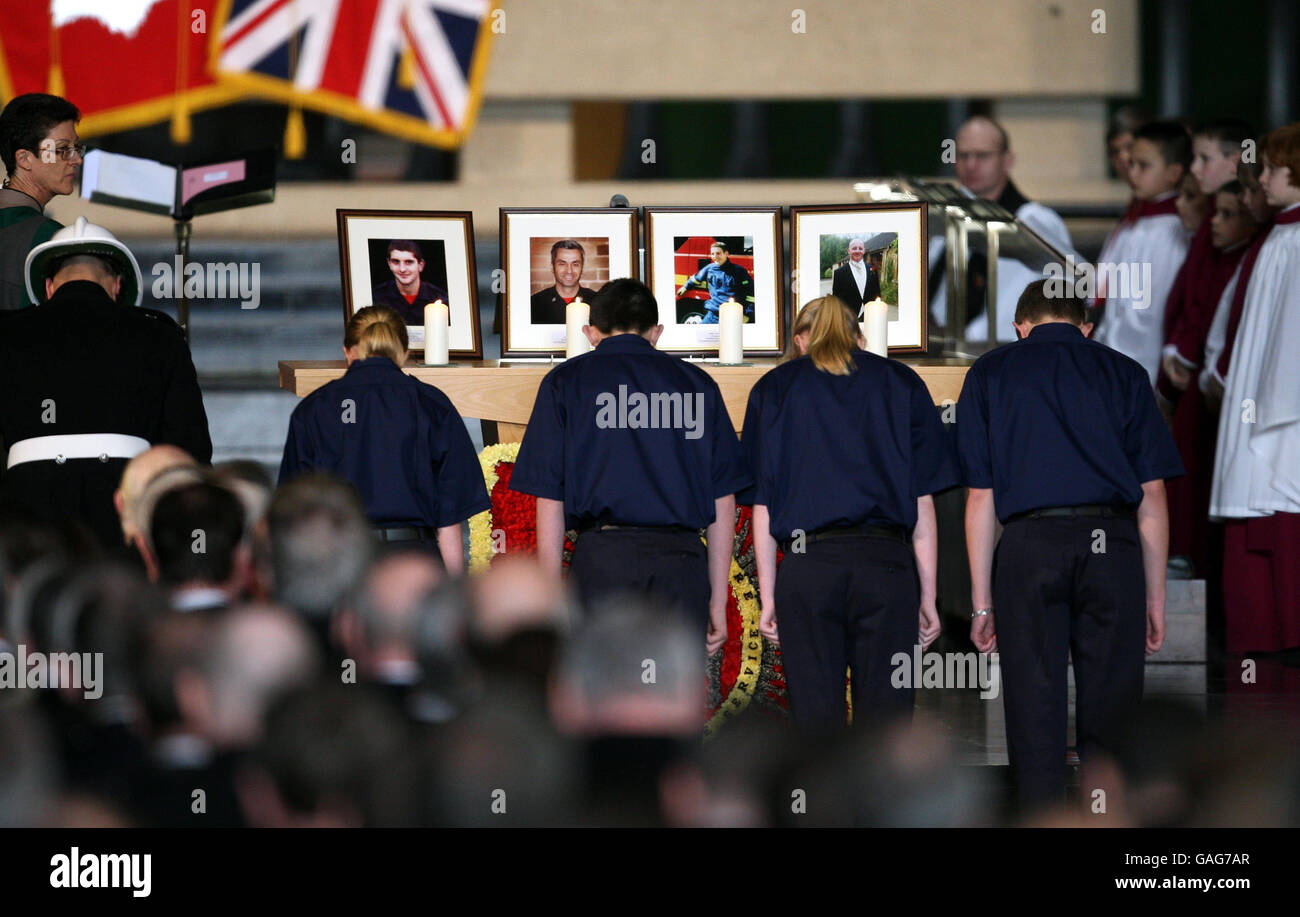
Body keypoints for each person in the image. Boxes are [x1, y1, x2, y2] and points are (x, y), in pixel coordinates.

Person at [957, 279, 1183, 811]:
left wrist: (981, 601)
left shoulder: (989, 372)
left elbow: (979, 498)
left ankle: (1041, 818)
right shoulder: (1125, 372)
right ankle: (1108, 816)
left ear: (1020, 326)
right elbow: (1153, 497)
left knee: (1033, 701)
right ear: (1087, 328)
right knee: (1112, 705)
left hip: (1030, 544)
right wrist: (1155, 597)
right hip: (1113, 549)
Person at [741, 296, 957, 729]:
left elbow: (762, 504)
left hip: (809, 568)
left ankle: (818, 800)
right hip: (886, 568)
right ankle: (882, 798)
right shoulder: (901, 382)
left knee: (815, 720)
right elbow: (922, 503)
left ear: (801, 340)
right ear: (859, 336)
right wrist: (929, 594)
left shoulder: (774, 388)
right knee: (888, 723)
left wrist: (769, 595)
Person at [509, 278, 750, 652]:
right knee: (672, 696)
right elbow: (723, 497)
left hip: (603, 560)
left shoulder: (565, 382)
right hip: (680, 562)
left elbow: (550, 495)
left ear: (591, 333)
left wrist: (549, 595)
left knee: (603, 694)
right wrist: (717, 599)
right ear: (657, 332)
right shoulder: (698, 384)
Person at [0, 218, 212, 549]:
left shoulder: (7, 333)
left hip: (26, 509)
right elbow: (189, 446)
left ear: (48, 288)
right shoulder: (158, 335)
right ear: (116, 286)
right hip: (125, 504)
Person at [278, 306, 488, 569]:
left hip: (338, 560)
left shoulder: (314, 409)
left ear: (347, 351)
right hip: (414, 562)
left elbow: (295, 510)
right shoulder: (431, 404)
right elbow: (449, 520)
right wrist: (452, 594)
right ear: (404, 353)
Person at [1207, 123, 1300, 655]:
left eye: (1271, 168)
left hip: (1280, 413)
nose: (1261, 178)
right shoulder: (1279, 238)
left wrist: (1268, 407)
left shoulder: (1291, 241)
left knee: (1276, 501)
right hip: (1258, 404)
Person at [1161, 179, 1258, 579]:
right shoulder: (1216, 256)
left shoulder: (1260, 255)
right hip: (1202, 384)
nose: (1214, 222)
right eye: (1214, 212)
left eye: (1227, 214)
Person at [929, 115, 1077, 345]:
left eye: (983, 155)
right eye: (963, 155)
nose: (971, 164)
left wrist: (954, 338)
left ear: (1007, 161)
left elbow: (1014, 308)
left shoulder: (1036, 222)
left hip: (1006, 352)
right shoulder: (947, 216)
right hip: (940, 346)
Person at [1094, 120, 1193, 383]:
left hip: (1139, 365)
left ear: (1174, 172)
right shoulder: (1137, 221)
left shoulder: (1171, 231)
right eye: (1131, 163)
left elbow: (1149, 312)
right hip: (1112, 354)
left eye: (1143, 166)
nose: (1132, 172)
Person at [0, 93, 82, 310]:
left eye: (76, 148)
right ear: (24, 159)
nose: (77, 160)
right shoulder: (51, 238)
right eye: (63, 149)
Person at [370, 240, 449, 326]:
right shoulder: (376, 298)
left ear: (420, 265)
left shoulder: (441, 299)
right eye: (396, 262)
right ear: (389, 264)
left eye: (409, 262)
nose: (402, 269)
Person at [676, 241, 753, 323]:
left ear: (726, 254)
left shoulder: (739, 271)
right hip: (712, 314)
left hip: (732, 316)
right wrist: (685, 287)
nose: (715, 256)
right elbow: (696, 278)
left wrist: (747, 314)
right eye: (712, 254)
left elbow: (751, 293)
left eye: (718, 253)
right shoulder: (709, 268)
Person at [531, 239, 601, 324]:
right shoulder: (535, 303)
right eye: (562, 264)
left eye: (575, 264)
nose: (569, 271)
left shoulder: (598, 302)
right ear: (552, 267)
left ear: (582, 267)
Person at [830, 238, 881, 316]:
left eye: (860, 248)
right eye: (854, 248)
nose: (857, 251)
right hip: (848, 317)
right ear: (849, 251)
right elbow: (836, 300)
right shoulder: (839, 273)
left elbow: (877, 294)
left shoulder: (873, 270)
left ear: (864, 251)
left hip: (869, 315)